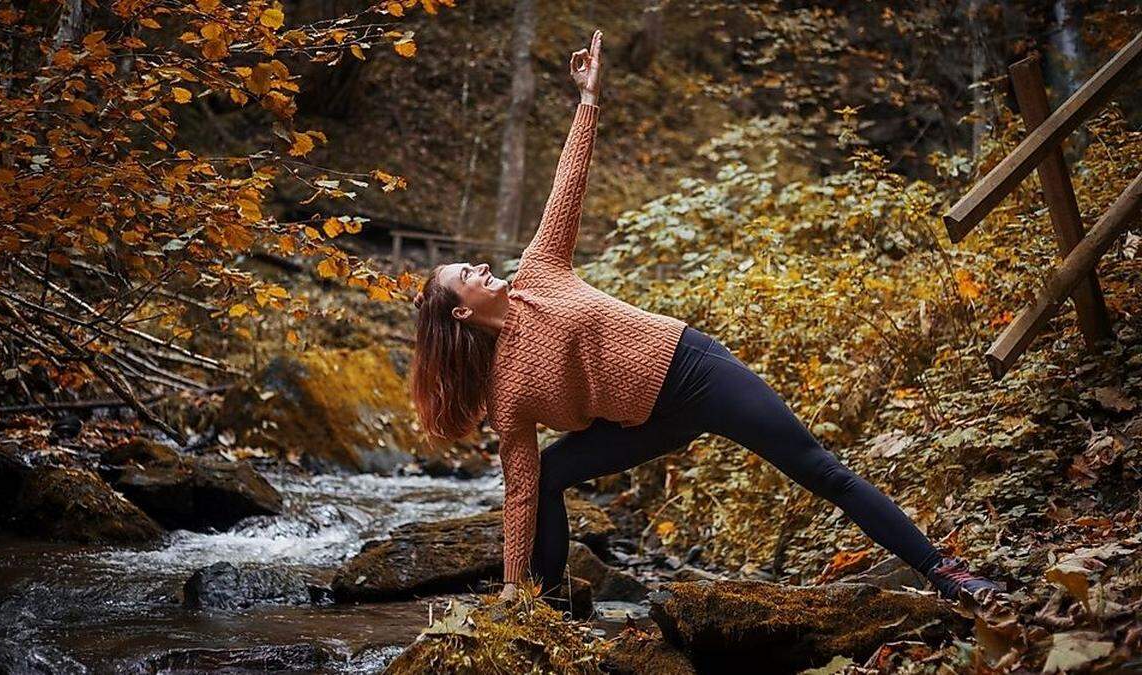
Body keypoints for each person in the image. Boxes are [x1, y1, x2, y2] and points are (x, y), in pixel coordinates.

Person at [409, 29, 999, 605]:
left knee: (820, 469)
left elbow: (568, 186)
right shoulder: (507, 394)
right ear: (461, 311)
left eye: (473, 265)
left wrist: (588, 98)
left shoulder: (540, 270)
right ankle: (543, 606)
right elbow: (518, 493)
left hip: (694, 370)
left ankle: (944, 572)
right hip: (644, 423)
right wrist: (512, 586)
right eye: (468, 276)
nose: (483, 270)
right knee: (545, 475)